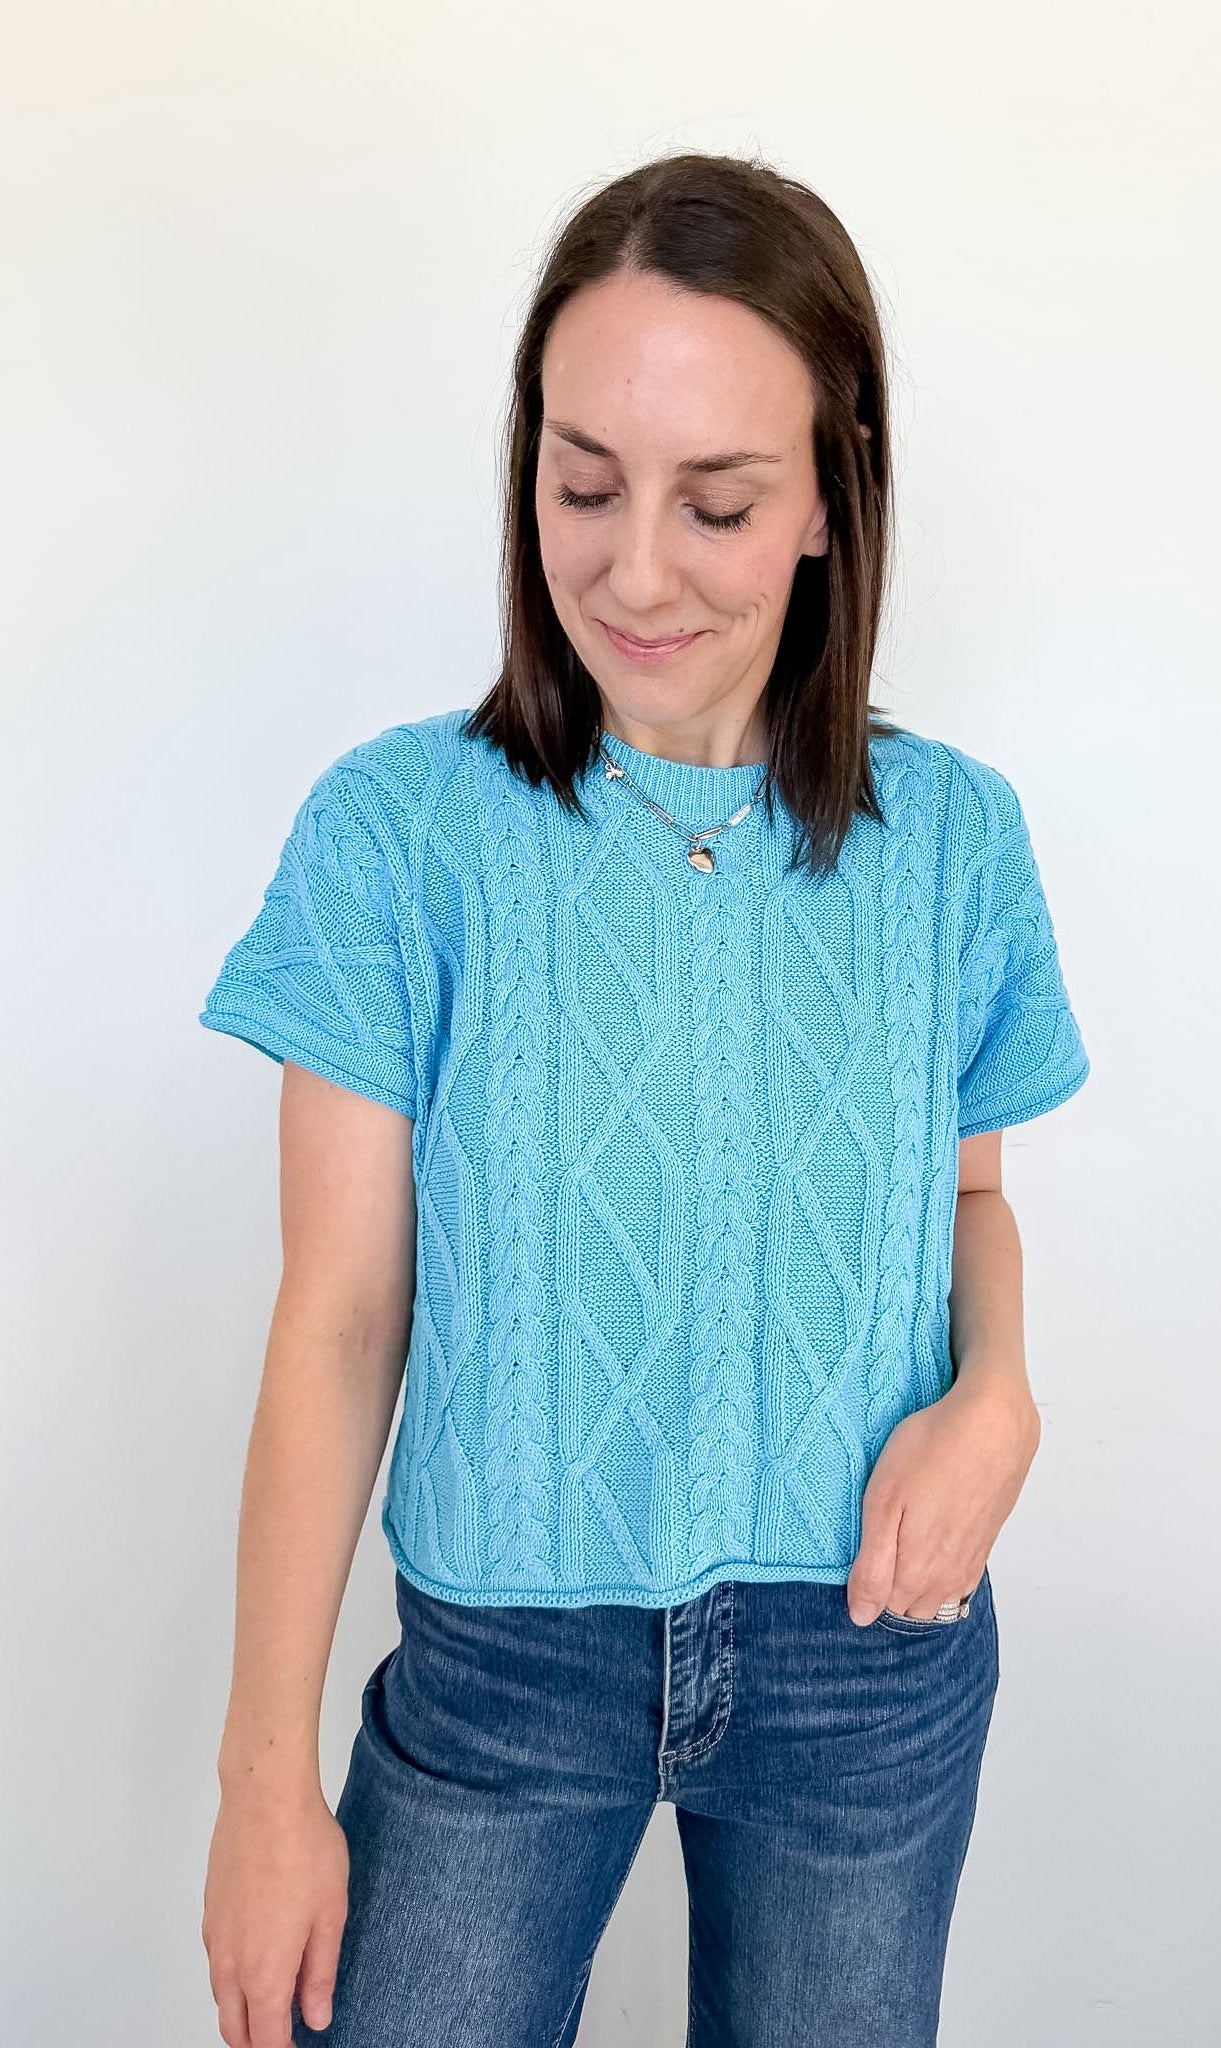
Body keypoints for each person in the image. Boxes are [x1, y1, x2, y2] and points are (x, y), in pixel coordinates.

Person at [198, 150, 1091, 2048]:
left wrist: (997, 1396)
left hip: (867, 1646)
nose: (632, 568)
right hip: (498, 1670)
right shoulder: (398, 836)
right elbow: (341, 1316)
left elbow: (966, 1202)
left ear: (830, 503)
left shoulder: (952, 843)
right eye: (580, 483)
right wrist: (260, 1794)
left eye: (718, 501)